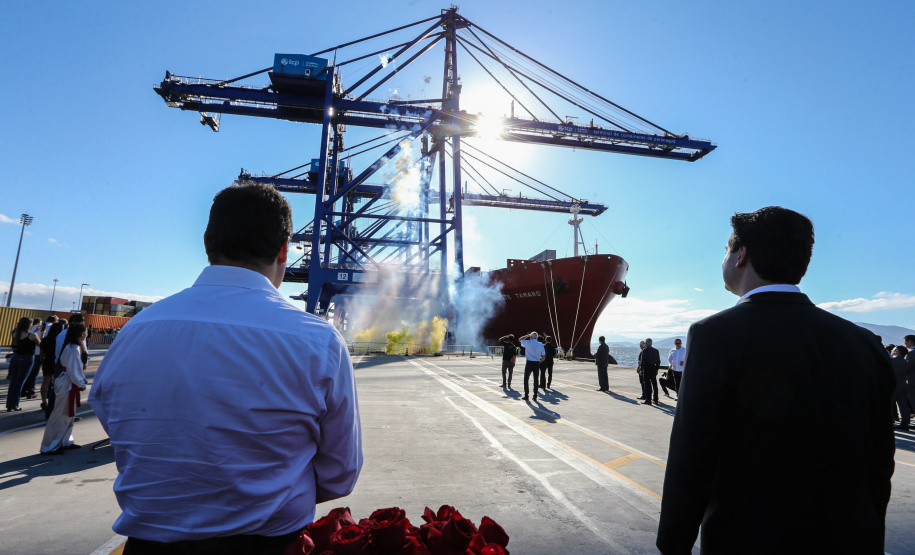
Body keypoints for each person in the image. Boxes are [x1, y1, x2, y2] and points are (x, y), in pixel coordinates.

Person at [89, 183, 363, 555]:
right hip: (273, 545)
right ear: (284, 249)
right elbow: (341, 473)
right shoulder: (319, 341)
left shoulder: (134, 331)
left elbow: (114, 423)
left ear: (207, 242)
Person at [657, 206, 895, 554]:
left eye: (727, 249)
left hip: (749, 537)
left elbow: (693, 454)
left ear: (741, 255)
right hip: (850, 538)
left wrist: (673, 543)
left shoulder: (714, 335)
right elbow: (880, 458)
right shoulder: (864, 342)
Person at [39, 323, 88, 455]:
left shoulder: (76, 347)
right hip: (67, 383)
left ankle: (65, 441)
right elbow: (73, 370)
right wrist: (81, 383)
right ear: (82, 334)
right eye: (86, 332)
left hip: (70, 382)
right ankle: (49, 446)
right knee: (59, 415)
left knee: (68, 415)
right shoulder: (72, 349)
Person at [7, 317, 40, 412]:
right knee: (20, 382)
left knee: (13, 381)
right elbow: (39, 344)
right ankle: (14, 404)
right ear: (29, 325)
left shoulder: (15, 333)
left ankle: (9, 404)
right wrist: (39, 333)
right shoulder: (32, 335)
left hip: (15, 357)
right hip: (27, 358)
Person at [39, 318, 64, 417]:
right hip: (57, 362)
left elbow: (41, 354)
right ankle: (54, 403)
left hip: (47, 361)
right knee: (57, 383)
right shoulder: (60, 339)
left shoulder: (45, 339)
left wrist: (43, 361)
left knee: (46, 381)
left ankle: (44, 402)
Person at [518, 331, 545, 401]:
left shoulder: (528, 343)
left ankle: (526, 395)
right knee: (536, 380)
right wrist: (539, 362)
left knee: (526, 379)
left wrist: (527, 335)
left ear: (531, 337)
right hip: (536, 363)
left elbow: (520, 339)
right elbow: (543, 357)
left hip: (529, 363)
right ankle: (535, 396)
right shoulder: (541, 345)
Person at [20, 317, 43, 399]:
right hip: (33, 355)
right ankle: (30, 391)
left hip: (19, 355)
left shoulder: (19, 332)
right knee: (33, 375)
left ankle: (22, 391)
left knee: (23, 376)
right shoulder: (34, 333)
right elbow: (40, 344)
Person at [892, 345, 911, 431]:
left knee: (889, 405)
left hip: (892, 386)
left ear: (897, 351)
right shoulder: (906, 363)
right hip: (903, 386)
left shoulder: (891, 360)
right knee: (903, 406)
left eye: (894, 349)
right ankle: (905, 423)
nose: (892, 351)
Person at [640, 338, 660, 405]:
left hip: (647, 368)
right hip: (653, 368)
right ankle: (656, 399)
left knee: (647, 385)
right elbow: (658, 361)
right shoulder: (656, 351)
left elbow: (643, 361)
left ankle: (648, 400)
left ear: (646, 343)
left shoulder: (645, 350)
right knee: (654, 384)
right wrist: (657, 369)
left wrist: (641, 370)